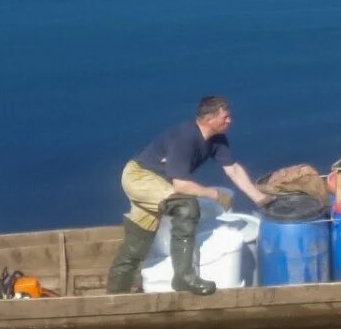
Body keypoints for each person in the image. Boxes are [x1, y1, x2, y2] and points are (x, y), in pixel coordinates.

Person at [108, 96, 273, 296]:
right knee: (186, 207)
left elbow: (233, 170)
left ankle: (115, 296)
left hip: (161, 184)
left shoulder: (217, 139)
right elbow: (181, 185)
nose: (230, 120)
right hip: (141, 178)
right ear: (209, 119)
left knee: (137, 245)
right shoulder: (184, 139)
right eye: (226, 117)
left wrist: (260, 199)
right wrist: (215, 194)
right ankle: (183, 277)